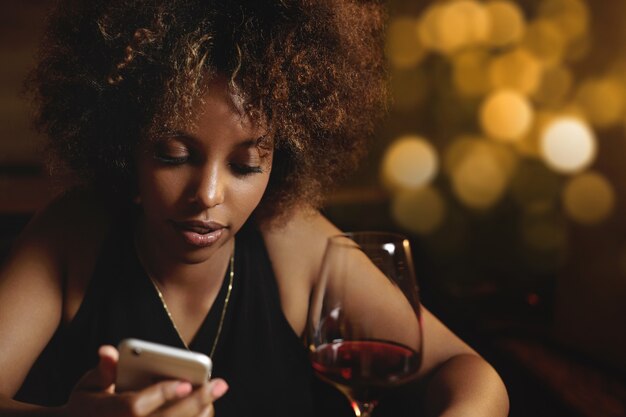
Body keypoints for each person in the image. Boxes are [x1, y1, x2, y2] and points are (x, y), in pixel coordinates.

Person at [0, 1, 509, 416]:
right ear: (121, 148)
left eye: (246, 165)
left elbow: (469, 373)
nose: (209, 194)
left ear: (279, 162)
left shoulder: (294, 243)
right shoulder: (72, 238)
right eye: (173, 155)